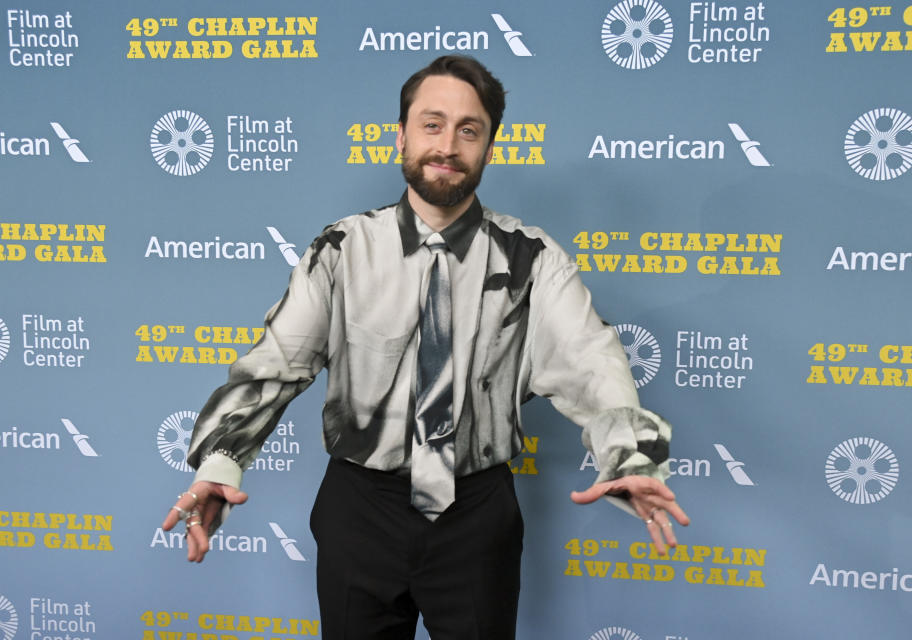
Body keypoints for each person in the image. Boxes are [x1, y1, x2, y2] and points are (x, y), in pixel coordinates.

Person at [163, 54, 689, 639]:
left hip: (477, 517)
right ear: (401, 136)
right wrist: (218, 462)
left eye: (470, 129)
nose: (448, 144)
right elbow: (276, 363)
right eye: (432, 124)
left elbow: (589, 357)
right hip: (360, 510)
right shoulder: (342, 249)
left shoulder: (533, 257)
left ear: (489, 146)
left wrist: (630, 456)